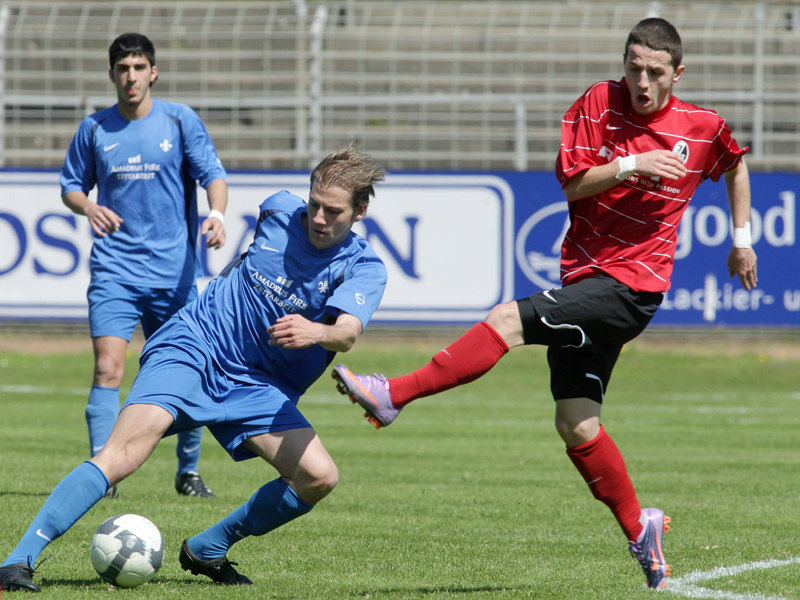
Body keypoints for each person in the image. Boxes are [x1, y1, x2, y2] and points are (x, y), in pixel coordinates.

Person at [332, 17, 757, 591]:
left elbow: (734, 164)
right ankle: (641, 527)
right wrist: (634, 164)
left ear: (677, 74)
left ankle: (394, 395)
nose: (642, 81)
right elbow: (573, 183)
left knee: (506, 320)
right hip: (585, 274)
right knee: (576, 423)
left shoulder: (702, 127)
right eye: (633, 67)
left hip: (632, 286)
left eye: (655, 72)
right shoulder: (597, 104)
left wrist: (742, 239)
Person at [0, 142, 387, 592]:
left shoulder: (364, 267)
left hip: (256, 385)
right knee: (123, 455)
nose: (318, 218)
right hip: (196, 345)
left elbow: (347, 333)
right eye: (315, 204)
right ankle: (17, 561)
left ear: (359, 212)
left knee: (319, 477)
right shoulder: (280, 210)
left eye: (333, 212)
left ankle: (208, 548)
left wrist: (315, 332)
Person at [60, 33, 228, 499]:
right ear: (111, 74)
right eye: (122, 69)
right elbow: (71, 185)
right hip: (116, 270)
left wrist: (216, 215)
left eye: (138, 67)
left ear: (153, 72)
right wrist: (87, 207)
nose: (130, 76)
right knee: (108, 369)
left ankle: (188, 472)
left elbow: (213, 175)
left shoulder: (178, 121)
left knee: (184, 371)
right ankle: (102, 472)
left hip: (174, 273)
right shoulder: (95, 129)